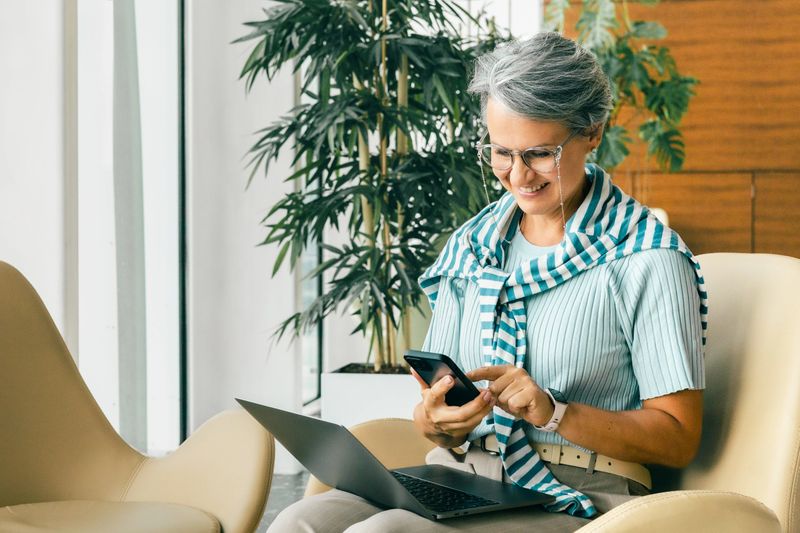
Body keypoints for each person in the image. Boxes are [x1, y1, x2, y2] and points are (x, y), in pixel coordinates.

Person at [269, 31, 706, 532]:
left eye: (539, 153)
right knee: (299, 522)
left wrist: (554, 412)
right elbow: (433, 420)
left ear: (592, 132)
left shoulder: (646, 256)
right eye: (501, 152)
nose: (518, 176)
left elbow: (678, 438)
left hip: (581, 494)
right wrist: (437, 423)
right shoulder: (472, 246)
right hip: (462, 475)